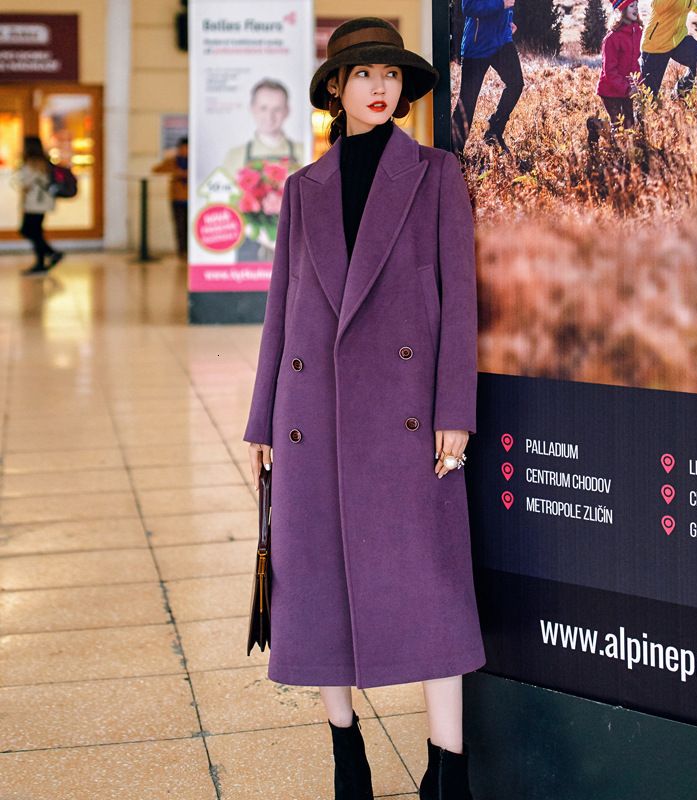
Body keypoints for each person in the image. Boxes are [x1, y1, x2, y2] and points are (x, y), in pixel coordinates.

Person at [243, 16, 485, 800]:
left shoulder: (435, 173)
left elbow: (459, 302)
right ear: (336, 91)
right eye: (362, 75)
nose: (379, 87)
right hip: (309, 415)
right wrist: (262, 420)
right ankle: (347, 753)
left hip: (405, 417)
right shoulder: (302, 188)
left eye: (390, 74)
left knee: (435, 591)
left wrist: (455, 410)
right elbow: (281, 313)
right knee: (314, 587)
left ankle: (447, 769)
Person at [222, 79, 303, 263]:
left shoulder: (303, 151)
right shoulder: (235, 155)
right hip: (249, 245)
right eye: (263, 108)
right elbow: (225, 204)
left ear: (287, 111)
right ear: (252, 109)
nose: (270, 116)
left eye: (277, 109)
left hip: (294, 242)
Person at [450, 0, 524, 156]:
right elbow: (468, 7)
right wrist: (500, 4)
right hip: (477, 46)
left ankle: (494, 132)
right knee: (467, 101)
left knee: (516, 84)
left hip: (502, 42)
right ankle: (453, 152)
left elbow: (508, 5)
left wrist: (508, 22)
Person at [640, 0, 697, 99]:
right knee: (649, 94)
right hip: (656, 44)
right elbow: (657, 6)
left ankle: (678, 97)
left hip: (678, 38)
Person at [12, 136, 64, 276]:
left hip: (34, 203)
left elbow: (24, 184)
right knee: (36, 232)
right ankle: (41, 262)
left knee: (28, 230)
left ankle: (51, 254)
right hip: (44, 202)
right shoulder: (44, 162)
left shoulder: (30, 163)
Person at [597, 0, 644, 130]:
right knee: (618, 127)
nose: (636, 8)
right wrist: (627, 89)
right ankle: (595, 125)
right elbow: (609, 71)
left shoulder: (637, 32)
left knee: (629, 125)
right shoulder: (612, 38)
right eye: (631, 6)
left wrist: (638, 83)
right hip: (610, 90)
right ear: (622, 10)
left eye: (637, 5)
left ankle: (604, 127)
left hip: (627, 89)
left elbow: (635, 63)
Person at [152, 136, 189, 257]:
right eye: (182, 148)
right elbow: (156, 170)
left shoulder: (195, 161)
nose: (185, 150)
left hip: (191, 199)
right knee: (179, 225)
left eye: (187, 148)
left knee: (190, 226)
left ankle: (190, 250)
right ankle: (182, 250)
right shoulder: (173, 161)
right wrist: (177, 173)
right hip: (177, 198)